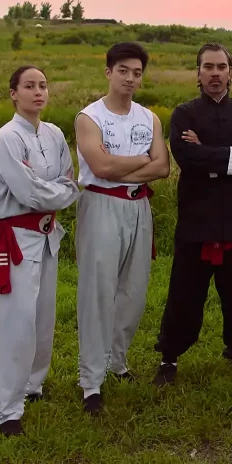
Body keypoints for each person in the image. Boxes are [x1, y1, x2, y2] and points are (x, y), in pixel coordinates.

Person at [153, 42, 232, 386]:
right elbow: (186, 159)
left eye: (221, 67)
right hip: (195, 218)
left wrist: (208, 152)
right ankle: (169, 357)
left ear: (231, 72)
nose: (215, 73)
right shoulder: (184, 114)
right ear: (198, 74)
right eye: (208, 67)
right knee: (185, 292)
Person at [0, 66, 80, 436]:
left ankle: (31, 384)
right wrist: (56, 191)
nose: (38, 92)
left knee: (42, 316)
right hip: (15, 239)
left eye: (42, 86)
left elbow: (70, 180)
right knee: (15, 322)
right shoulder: (6, 138)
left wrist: (57, 190)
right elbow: (31, 193)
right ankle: (5, 409)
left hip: (46, 234)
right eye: (28, 86)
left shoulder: (53, 134)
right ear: (13, 93)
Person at [74, 42, 169, 415]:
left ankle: (117, 361)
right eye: (124, 71)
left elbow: (162, 168)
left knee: (133, 292)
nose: (130, 78)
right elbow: (102, 169)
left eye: (137, 72)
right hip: (100, 204)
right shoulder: (89, 117)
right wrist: (141, 160)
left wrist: (125, 165)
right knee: (98, 291)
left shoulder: (150, 118)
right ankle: (90, 381)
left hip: (138, 205)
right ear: (109, 72)